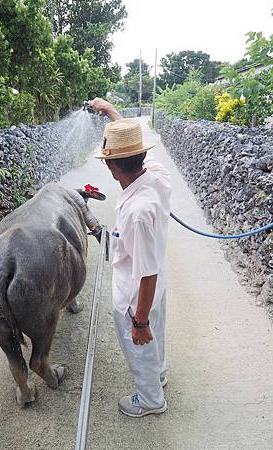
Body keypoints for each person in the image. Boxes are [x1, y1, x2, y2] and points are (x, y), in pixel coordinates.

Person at [89, 97, 171, 417]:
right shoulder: (154, 172)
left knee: (139, 345)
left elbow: (145, 273)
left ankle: (150, 400)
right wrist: (111, 113)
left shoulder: (137, 211)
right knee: (156, 340)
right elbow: (128, 144)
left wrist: (139, 321)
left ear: (111, 167)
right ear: (141, 154)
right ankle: (159, 376)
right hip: (156, 289)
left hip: (136, 297)